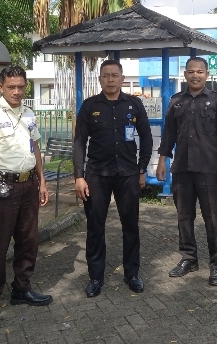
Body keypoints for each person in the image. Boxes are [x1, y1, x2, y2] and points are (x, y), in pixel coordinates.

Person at [0, 66, 51, 330]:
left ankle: (22, 288)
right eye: (11, 87)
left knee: (29, 240)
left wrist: (41, 181)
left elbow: (35, 147)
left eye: (20, 86)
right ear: (1, 87)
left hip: (28, 185)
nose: (16, 91)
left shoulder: (29, 113)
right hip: (2, 186)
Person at [73, 59, 152, 298]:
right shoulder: (90, 106)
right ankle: (95, 277)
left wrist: (142, 169)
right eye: (106, 75)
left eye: (115, 75)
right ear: (100, 79)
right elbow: (79, 142)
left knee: (131, 226)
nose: (110, 80)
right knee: (95, 227)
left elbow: (146, 138)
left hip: (127, 174)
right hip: (97, 175)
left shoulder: (134, 104)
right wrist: (79, 176)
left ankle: (132, 274)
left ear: (122, 78)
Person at [156, 57, 217, 287]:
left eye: (200, 71)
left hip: (209, 169)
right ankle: (189, 258)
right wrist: (162, 161)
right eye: (191, 71)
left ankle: (216, 263)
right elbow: (168, 134)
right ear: (185, 74)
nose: (195, 75)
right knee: (184, 217)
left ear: (207, 75)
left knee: (213, 218)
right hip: (182, 169)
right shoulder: (176, 101)